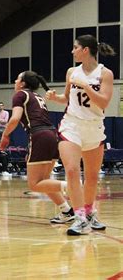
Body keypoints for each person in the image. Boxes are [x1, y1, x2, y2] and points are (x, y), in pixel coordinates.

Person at [46, 35, 115, 235]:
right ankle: (80, 217)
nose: (72, 51)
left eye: (75, 47)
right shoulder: (71, 72)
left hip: (94, 127)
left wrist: (85, 85)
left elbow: (103, 102)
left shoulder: (105, 74)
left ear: (85, 50)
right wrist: (54, 97)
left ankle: (89, 211)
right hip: (71, 125)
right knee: (73, 171)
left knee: (92, 176)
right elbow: (66, 99)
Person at [0, 71, 73, 224]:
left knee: (34, 184)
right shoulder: (36, 96)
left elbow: (14, 119)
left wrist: (5, 135)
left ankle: (73, 186)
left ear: (23, 83)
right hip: (52, 135)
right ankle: (67, 211)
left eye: (18, 78)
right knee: (44, 180)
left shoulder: (20, 95)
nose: (15, 80)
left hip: (40, 135)